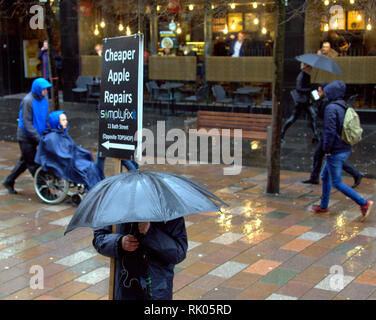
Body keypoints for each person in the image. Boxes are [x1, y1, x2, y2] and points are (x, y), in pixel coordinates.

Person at [311, 80, 373, 221]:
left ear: (331, 93)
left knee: (337, 182)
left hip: (335, 150)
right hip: (344, 147)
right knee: (325, 176)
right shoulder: (343, 106)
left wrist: (326, 149)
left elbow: (330, 131)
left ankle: (364, 203)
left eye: (327, 91)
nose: (325, 94)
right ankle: (323, 206)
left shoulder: (331, 108)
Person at [92, 216, 188, 299]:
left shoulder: (168, 212)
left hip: (156, 290)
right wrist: (118, 242)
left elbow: (178, 253)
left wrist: (151, 232)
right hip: (124, 287)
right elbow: (99, 239)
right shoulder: (116, 206)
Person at [302, 85, 365, 187]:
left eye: (319, 91)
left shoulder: (328, 103)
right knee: (321, 157)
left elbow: (324, 119)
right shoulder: (327, 101)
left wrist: (327, 145)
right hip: (327, 134)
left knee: (331, 159)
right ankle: (314, 177)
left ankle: (356, 174)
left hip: (328, 135)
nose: (318, 93)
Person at [2, 78, 52, 194]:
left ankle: (9, 181)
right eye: (44, 89)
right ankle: (44, 191)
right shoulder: (27, 101)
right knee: (32, 164)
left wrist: (49, 132)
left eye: (46, 89)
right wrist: (38, 138)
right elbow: (26, 122)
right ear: (38, 89)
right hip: (26, 137)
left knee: (25, 161)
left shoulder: (44, 99)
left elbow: (46, 117)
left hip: (37, 135)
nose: (46, 91)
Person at [35, 111, 104, 191]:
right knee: (88, 167)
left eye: (66, 119)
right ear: (56, 122)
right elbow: (59, 154)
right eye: (63, 120)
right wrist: (71, 157)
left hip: (71, 158)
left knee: (91, 165)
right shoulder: (51, 137)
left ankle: (96, 188)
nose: (66, 122)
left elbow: (73, 147)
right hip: (64, 162)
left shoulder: (62, 134)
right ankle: (94, 190)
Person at [281, 63, 319, 143]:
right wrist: (309, 88)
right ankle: (282, 133)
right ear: (306, 67)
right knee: (293, 118)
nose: (311, 68)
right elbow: (299, 88)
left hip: (305, 101)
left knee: (313, 116)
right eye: (310, 66)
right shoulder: (301, 75)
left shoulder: (307, 75)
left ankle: (315, 135)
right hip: (301, 101)